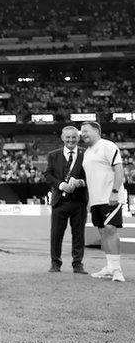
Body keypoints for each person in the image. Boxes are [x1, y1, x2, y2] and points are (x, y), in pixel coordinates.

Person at [80, 121, 126, 282]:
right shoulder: (87, 153)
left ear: (97, 131)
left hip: (110, 197)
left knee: (110, 229)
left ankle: (118, 270)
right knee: (102, 232)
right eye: (81, 131)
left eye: (85, 130)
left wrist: (114, 192)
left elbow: (119, 169)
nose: (82, 134)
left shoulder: (107, 145)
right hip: (95, 200)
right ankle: (110, 267)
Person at [43, 126, 88, 273]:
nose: (71, 140)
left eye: (74, 137)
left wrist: (80, 182)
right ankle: (55, 263)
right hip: (59, 201)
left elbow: (92, 176)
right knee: (56, 234)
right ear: (62, 138)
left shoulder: (86, 154)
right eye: (67, 137)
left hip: (79, 201)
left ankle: (78, 264)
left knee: (78, 235)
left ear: (78, 138)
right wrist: (61, 185)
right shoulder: (53, 155)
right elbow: (48, 175)